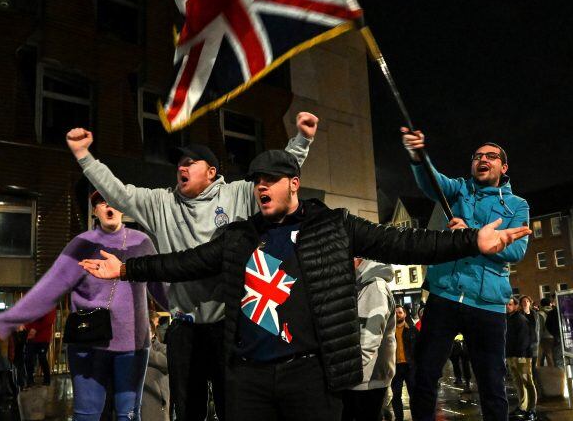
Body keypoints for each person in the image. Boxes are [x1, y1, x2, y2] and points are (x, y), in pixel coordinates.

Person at [79, 149, 531, 421]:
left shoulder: (333, 226)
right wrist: (125, 270)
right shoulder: (239, 235)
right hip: (248, 378)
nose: (261, 187)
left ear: (293, 183)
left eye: (271, 179)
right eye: (256, 180)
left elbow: (405, 243)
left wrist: (472, 240)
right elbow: (187, 262)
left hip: (310, 378)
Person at [66, 112, 319, 421]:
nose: (181, 168)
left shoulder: (237, 194)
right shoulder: (162, 202)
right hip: (184, 328)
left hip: (230, 324)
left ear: (211, 172)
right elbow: (119, 192)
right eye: (179, 164)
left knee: (235, 406)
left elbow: (277, 178)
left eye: (190, 163)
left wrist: (303, 139)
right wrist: (84, 156)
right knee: (187, 409)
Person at [0, 195, 161, 421]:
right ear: (95, 211)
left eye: (115, 200)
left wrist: (188, 311)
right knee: (86, 415)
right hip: (88, 343)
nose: (109, 206)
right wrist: (5, 321)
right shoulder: (82, 244)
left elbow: (162, 286)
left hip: (133, 344)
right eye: (101, 202)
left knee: (129, 414)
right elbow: (50, 287)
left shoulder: (141, 242)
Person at [401, 129, 530, 421]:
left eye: (490, 156)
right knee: (424, 375)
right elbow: (433, 182)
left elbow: (516, 250)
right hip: (444, 295)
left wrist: (469, 235)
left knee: (492, 386)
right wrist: (418, 156)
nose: (482, 159)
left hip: (486, 305)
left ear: (503, 167)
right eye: (477, 156)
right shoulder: (460, 189)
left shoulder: (517, 206)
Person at [341, 259, 396, 421]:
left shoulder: (373, 288)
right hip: (361, 380)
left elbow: (368, 341)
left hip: (366, 383)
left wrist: (343, 374)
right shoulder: (362, 286)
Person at [506, 297, 536, 420]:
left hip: (521, 356)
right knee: (518, 383)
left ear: (516, 306)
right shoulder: (508, 319)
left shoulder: (520, 319)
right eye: (506, 304)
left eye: (510, 304)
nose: (507, 306)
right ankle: (522, 406)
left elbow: (524, 339)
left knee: (527, 382)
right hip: (511, 355)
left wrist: (520, 355)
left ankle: (531, 409)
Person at [142, 311, 170, 421]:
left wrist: (145, 350)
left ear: (153, 333)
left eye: (147, 331)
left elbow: (167, 362)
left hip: (159, 404)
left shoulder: (163, 348)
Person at [391, 306, 417, 421]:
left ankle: (416, 416)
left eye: (400, 312)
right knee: (396, 396)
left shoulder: (412, 329)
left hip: (410, 366)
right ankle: (398, 418)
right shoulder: (389, 332)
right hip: (395, 367)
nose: (398, 314)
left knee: (414, 395)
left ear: (405, 314)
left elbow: (419, 348)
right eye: (396, 313)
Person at [23, 309, 56, 387]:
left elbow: (49, 320)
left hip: (43, 338)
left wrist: (35, 329)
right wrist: (28, 329)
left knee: (42, 357)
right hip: (32, 337)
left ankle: (47, 379)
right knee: (29, 359)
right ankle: (30, 380)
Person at [536, 298, 554, 367]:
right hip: (555, 337)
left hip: (545, 337)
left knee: (543, 357)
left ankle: (548, 374)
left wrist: (538, 339)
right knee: (552, 356)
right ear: (550, 304)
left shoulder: (540, 314)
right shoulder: (555, 311)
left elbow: (539, 328)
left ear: (541, 305)